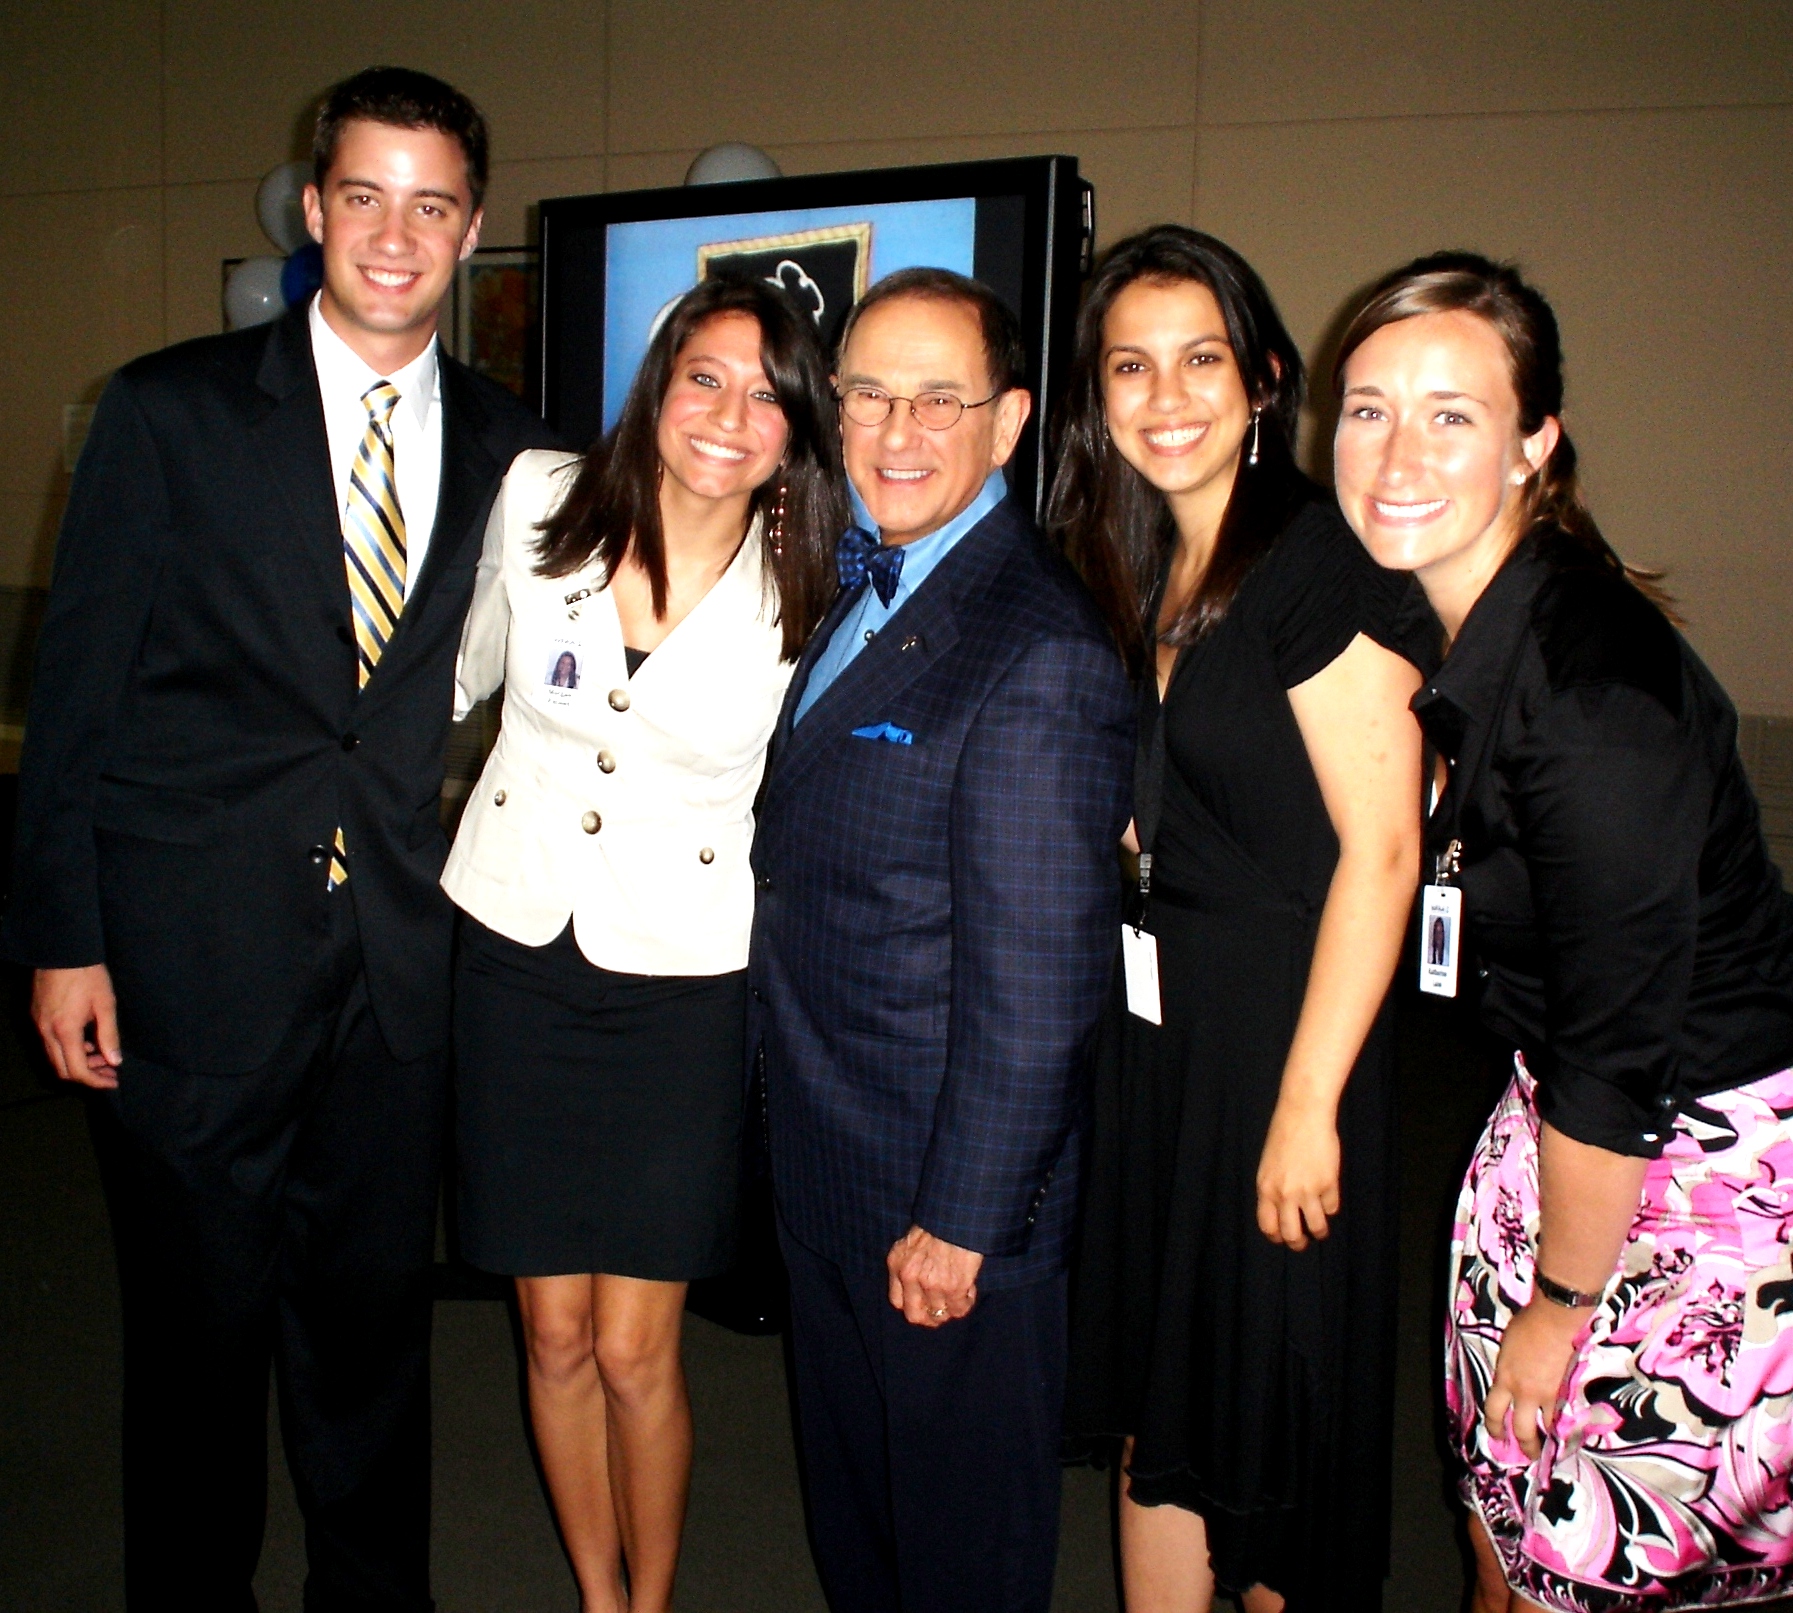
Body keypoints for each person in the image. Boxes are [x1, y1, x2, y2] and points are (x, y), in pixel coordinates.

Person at [4, 67, 557, 1608]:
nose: (394, 234)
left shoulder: (518, 449)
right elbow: (76, 698)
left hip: (392, 974)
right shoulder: (168, 411)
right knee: (195, 1344)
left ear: (471, 228)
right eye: (363, 195)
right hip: (185, 961)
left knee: (370, 1344)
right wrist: (63, 938)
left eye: (431, 205)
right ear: (315, 208)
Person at [1332, 251, 1793, 1613]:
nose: (1396, 454)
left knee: (1573, 1572)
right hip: (1555, 1121)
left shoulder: (1592, 694)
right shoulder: (1457, 612)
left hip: (1696, 1164)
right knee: (1498, 1517)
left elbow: (1617, 1053)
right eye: (1367, 409)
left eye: (1450, 414)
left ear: (1534, 442)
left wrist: (1559, 1308)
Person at [443, 274, 841, 1613]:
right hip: (514, 951)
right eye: (704, 377)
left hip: (679, 985)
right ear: (659, 385)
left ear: (797, 428)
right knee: (553, 1333)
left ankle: (649, 1604)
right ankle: (597, 1597)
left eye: (768, 395)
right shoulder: (539, 499)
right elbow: (458, 673)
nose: (729, 414)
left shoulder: (812, 584)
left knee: (632, 1348)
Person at [748, 267, 1134, 1613]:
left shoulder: (1036, 646)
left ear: (1009, 421)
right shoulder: (869, 578)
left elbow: (1040, 988)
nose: (894, 431)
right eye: (867, 395)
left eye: (937, 400)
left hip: (943, 1207)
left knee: (961, 1564)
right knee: (862, 1535)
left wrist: (962, 1222)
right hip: (836, 1163)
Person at [1053, 225, 1425, 1613]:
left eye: (1199, 359)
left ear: (1264, 378)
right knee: (1166, 1403)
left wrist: (1307, 1105)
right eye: (1130, 366)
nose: (1165, 397)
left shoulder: (1317, 565)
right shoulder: (1134, 561)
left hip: (1284, 1035)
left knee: (1271, 1428)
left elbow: (1383, 852)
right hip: (1163, 1041)